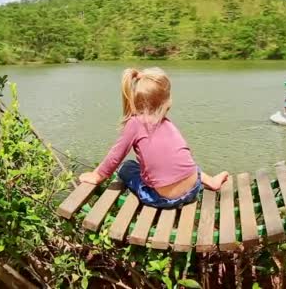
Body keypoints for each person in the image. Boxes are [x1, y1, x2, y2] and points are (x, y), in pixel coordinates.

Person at [79, 67, 229, 208]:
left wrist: (97, 176)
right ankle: (211, 182)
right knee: (183, 162)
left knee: (126, 167)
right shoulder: (168, 124)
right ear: (167, 100)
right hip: (193, 188)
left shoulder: (135, 123)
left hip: (163, 199)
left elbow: (115, 156)